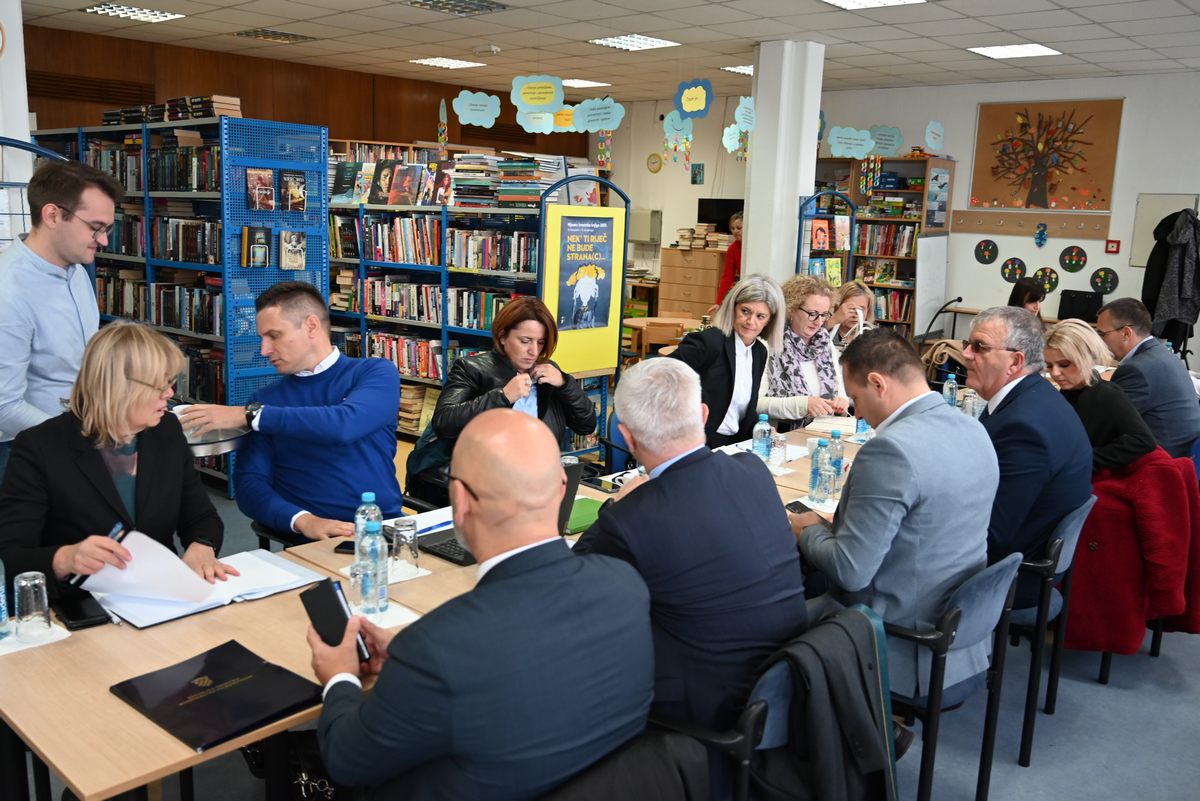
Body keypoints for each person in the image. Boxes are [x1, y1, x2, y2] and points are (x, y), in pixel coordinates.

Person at [308, 410, 654, 800]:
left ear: (459, 500)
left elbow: (347, 760)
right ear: (562, 488)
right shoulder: (626, 585)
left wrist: (339, 676)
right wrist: (406, 664)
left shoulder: (437, 648)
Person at [574, 357, 807, 732]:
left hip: (703, 713)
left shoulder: (631, 519)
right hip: (786, 685)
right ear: (702, 414)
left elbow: (573, 590)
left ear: (628, 438)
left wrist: (614, 506)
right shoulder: (753, 470)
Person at [789, 328, 998, 698]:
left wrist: (806, 530)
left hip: (897, 638)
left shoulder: (890, 450)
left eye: (856, 398)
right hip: (961, 631)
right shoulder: (974, 428)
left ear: (877, 383)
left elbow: (851, 571)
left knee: (759, 624)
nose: (857, 412)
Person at [0, 322, 231, 600]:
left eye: (170, 382)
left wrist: (202, 546)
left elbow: (201, 516)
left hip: (160, 597)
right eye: (160, 385)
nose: (170, 394)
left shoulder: (166, 431)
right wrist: (66, 558)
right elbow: (13, 557)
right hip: (81, 603)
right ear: (121, 388)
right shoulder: (39, 447)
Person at [179, 281, 402, 540]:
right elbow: (250, 486)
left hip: (383, 530)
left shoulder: (375, 373)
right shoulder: (264, 400)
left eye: (274, 336)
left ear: (311, 326)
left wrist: (249, 416)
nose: (264, 350)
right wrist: (303, 521)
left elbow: (344, 425)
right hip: (311, 542)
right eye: (262, 339)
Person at [0, 160, 123, 479]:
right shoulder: (8, 291)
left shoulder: (76, 270)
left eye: (107, 229)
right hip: (26, 450)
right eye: (95, 227)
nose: (103, 240)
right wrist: (81, 440)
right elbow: (4, 406)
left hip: (78, 435)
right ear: (53, 215)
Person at [963, 306, 1091, 605]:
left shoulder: (1024, 427)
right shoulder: (1034, 397)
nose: (966, 354)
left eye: (979, 346)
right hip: (1022, 554)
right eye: (968, 344)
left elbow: (993, 534)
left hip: (1011, 576)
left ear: (1015, 362)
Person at [407, 297, 596, 494]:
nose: (533, 351)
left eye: (540, 342)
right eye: (525, 341)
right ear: (503, 336)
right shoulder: (472, 368)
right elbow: (444, 422)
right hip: (484, 483)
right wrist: (502, 397)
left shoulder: (547, 373)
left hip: (538, 480)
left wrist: (566, 384)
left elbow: (586, 425)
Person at [670, 274, 811, 448]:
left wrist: (765, 430)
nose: (751, 322)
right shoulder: (709, 341)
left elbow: (742, 410)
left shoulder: (759, 352)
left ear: (770, 320)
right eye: (745, 311)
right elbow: (659, 376)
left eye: (760, 316)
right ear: (733, 308)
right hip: (698, 442)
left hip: (735, 443)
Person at [1045, 319, 1157, 471]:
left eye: (1064, 365)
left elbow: (1142, 440)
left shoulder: (1108, 395)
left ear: (1086, 358)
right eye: (1049, 365)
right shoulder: (1068, 391)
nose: (1055, 373)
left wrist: (1087, 461)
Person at [1096, 297, 1200, 458]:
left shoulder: (1136, 370)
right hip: (1184, 453)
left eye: (1102, 334)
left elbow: (1105, 424)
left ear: (1126, 333)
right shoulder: (1162, 353)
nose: (1099, 341)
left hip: (1163, 459)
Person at [767, 275, 849, 430]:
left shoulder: (825, 343)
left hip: (823, 431)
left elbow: (840, 391)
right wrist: (803, 404)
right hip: (783, 434)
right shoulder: (771, 344)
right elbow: (757, 403)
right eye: (812, 313)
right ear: (792, 309)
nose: (818, 322)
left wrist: (841, 402)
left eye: (824, 314)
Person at [827, 280, 876, 350]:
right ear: (838, 307)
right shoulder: (825, 332)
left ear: (868, 311)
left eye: (861, 309)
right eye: (851, 308)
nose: (856, 315)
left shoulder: (875, 338)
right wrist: (833, 321)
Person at [713, 211, 744, 307]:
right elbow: (727, 277)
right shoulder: (732, 249)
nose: (735, 231)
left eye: (739, 228)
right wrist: (718, 303)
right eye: (732, 228)